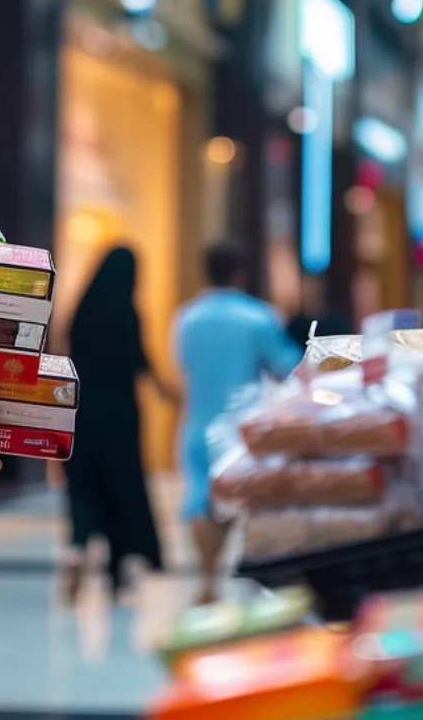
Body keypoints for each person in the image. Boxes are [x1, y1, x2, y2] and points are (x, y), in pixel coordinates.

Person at [173, 242, 304, 604]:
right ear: (239, 273)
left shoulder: (187, 318)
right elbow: (287, 365)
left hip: (196, 422)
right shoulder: (258, 317)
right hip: (240, 427)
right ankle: (247, 574)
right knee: (240, 498)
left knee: (199, 499)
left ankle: (207, 578)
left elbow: (180, 365)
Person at [61, 246, 171, 601]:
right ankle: (119, 566)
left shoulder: (82, 310)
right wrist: (166, 389)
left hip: (82, 411)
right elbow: (139, 360)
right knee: (121, 485)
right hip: (121, 413)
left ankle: (78, 548)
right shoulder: (126, 312)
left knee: (84, 485)